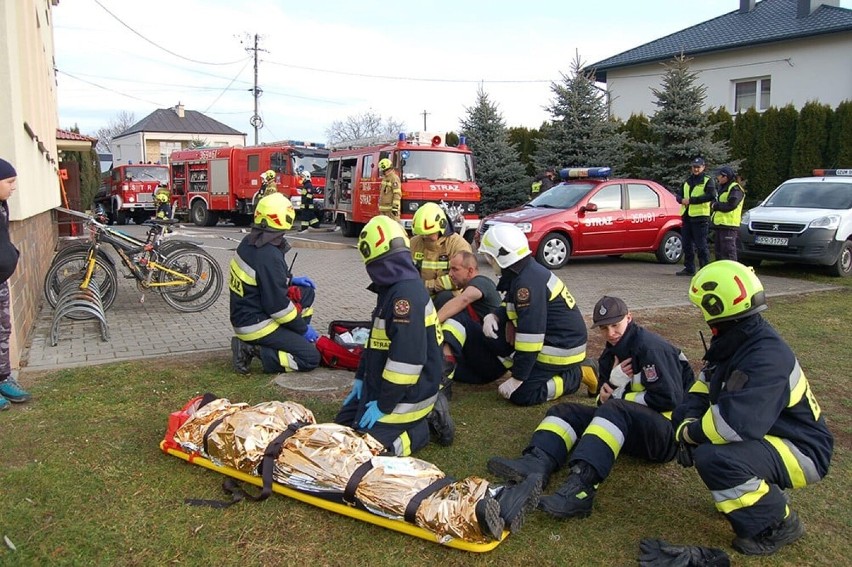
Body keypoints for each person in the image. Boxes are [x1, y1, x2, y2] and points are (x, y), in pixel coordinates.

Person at [172, 395, 544, 542]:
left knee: (376, 475)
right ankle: (476, 507)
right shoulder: (235, 419)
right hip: (316, 443)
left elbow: (242, 452)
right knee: (377, 474)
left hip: (308, 449)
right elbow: (294, 413)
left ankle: (489, 498)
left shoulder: (220, 427)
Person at [673, 261, 833, 556]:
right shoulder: (738, 339)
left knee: (714, 456)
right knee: (709, 447)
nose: (701, 314)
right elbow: (701, 386)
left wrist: (689, 434)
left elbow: (731, 425)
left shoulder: (766, 357)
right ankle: (757, 496)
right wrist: (686, 420)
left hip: (804, 450)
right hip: (770, 435)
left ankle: (778, 523)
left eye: (702, 308)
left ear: (716, 307)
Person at [487, 295, 695, 519]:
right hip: (630, 427)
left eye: (616, 325)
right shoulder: (609, 356)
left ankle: (580, 491)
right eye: (604, 328)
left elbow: (669, 399)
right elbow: (602, 402)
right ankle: (536, 463)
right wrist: (613, 386)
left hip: (666, 435)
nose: (611, 333)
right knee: (564, 411)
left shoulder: (651, 348)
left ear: (629, 318)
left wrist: (618, 392)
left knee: (614, 409)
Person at [334, 215, 452, 455]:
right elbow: (376, 341)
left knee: (367, 450)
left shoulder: (403, 299)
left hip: (411, 392)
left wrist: (384, 404)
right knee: (341, 428)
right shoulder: (394, 287)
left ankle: (423, 428)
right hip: (391, 384)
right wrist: (361, 378)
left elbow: (406, 363)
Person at [477, 224, 598, 406]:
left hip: (561, 347)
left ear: (502, 257)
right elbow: (510, 301)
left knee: (522, 395)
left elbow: (531, 337)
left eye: (490, 257)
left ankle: (579, 374)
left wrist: (518, 379)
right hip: (554, 340)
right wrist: (495, 316)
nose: (488, 261)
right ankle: (530, 372)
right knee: (493, 337)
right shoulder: (523, 272)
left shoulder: (526, 283)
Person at [228, 192, 320, 375]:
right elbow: (278, 308)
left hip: (247, 314)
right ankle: (251, 349)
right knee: (310, 357)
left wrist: (291, 280)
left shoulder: (249, 242)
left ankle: (290, 337)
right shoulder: (268, 255)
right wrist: (303, 330)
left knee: (306, 292)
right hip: (257, 324)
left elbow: (261, 279)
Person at [437, 251, 506, 388]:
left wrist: (430, 324)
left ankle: (442, 381)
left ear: (470, 271)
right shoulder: (470, 286)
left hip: (492, 362)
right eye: (450, 269)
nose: (450, 274)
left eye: (455, 269)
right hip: (476, 367)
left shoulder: (481, 281)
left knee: (456, 315)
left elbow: (464, 299)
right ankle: (438, 367)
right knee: (444, 298)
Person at [0, 158, 31, 411]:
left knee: (3, 330)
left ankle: (3, 377)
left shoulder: (2, 206)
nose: (13, 187)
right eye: (9, 182)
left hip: (1, 281)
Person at [409, 202, 472, 297]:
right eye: (421, 234)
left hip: (449, 298)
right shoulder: (414, 243)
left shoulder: (457, 245)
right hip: (419, 295)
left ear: (442, 227)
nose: (424, 237)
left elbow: (461, 277)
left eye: (428, 233)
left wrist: (427, 285)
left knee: (445, 297)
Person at [677, 157, 717, 276]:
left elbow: (711, 196)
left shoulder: (707, 181)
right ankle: (689, 268)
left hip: (700, 217)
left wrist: (692, 200)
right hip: (687, 216)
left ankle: (705, 270)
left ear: (703, 167)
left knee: (701, 246)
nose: (696, 169)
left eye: (698, 167)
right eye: (694, 167)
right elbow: (679, 194)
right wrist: (681, 200)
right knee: (686, 244)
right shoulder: (687, 181)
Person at [710, 166, 745, 262]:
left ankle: (732, 274)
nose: (717, 178)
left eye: (719, 176)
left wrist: (716, 206)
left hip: (729, 226)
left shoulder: (735, 188)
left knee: (728, 252)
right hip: (720, 225)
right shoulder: (722, 187)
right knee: (719, 253)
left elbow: (731, 205)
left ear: (725, 177)